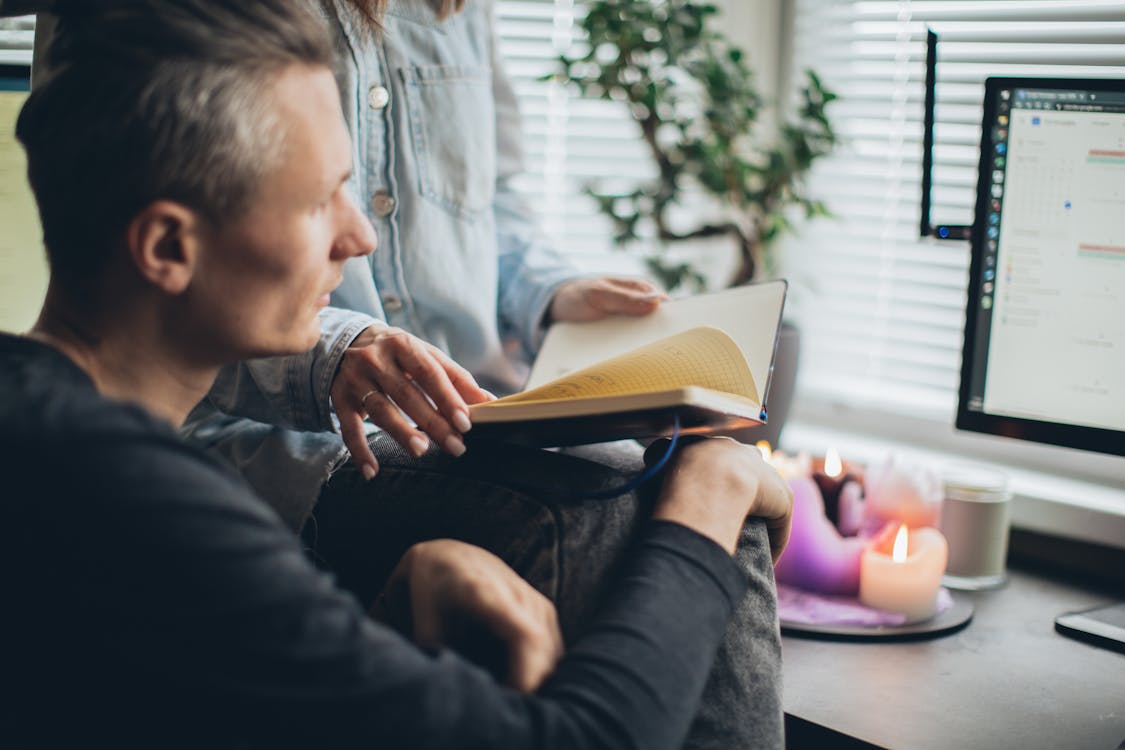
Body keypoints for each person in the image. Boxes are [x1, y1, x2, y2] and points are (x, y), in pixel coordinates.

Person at [0, 0, 793, 747]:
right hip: (302, 442)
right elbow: (587, 740)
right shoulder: (156, 520)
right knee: (625, 494)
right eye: (321, 198)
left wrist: (400, 592)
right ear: (169, 247)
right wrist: (713, 488)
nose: (360, 237)